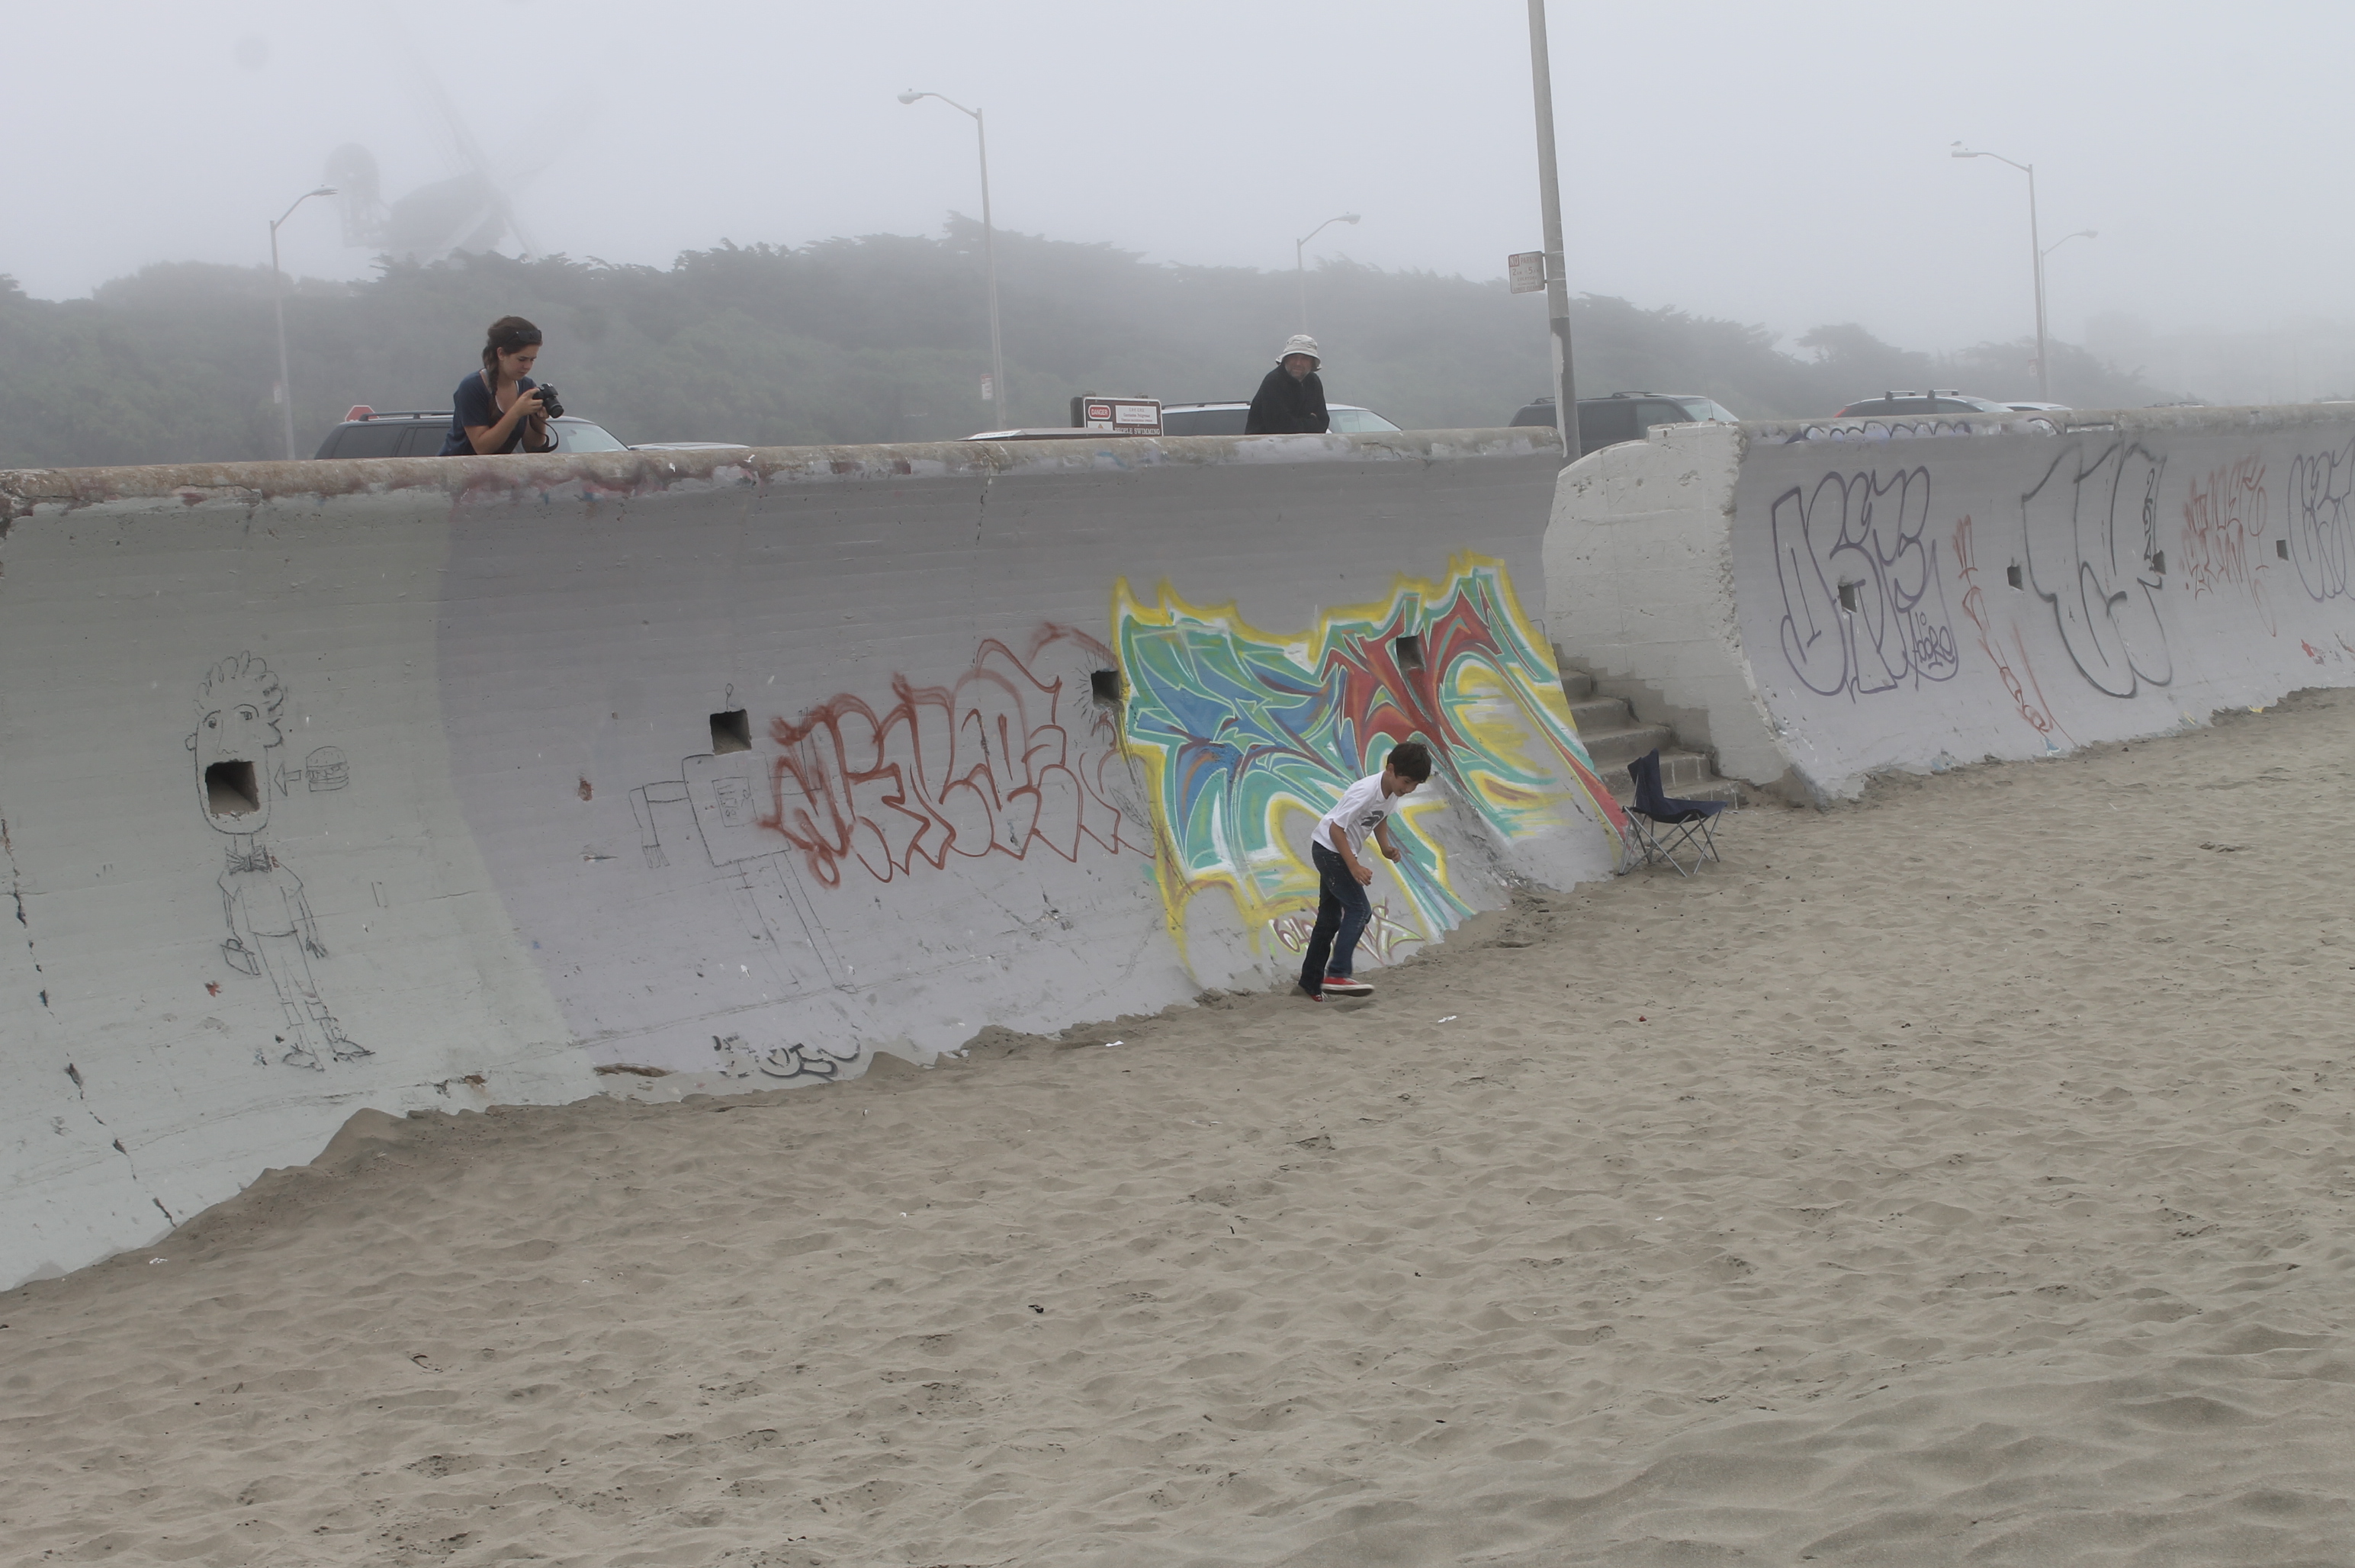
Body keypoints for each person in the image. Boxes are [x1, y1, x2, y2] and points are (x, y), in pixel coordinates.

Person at [1297, 741, 1432, 1001]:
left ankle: (1309, 984)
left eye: (1415, 785)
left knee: (1329, 920)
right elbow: (1336, 828)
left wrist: (1385, 848)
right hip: (1329, 851)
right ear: (1390, 770)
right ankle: (1337, 974)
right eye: (1406, 782)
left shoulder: (1392, 793)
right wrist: (1353, 865)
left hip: (1335, 852)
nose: (1408, 789)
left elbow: (1380, 818)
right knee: (1360, 910)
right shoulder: (1365, 791)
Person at [441, 315, 561, 455]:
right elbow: (482, 448)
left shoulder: (526, 386)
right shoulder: (473, 387)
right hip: (458, 467)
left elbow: (532, 447)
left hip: (496, 469)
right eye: (521, 359)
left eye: (532, 360)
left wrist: (539, 419)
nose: (527, 366)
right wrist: (516, 412)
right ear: (501, 353)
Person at [1245, 333, 1331, 435]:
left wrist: (1297, 423)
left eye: (1305, 358)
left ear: (1312, 363)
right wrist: (1311, 422)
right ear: (1285, 360)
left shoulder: (1313, 382)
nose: (1298, 363)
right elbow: (1280, 427)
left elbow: (1323, 422)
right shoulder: (1273, 382)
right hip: (1266, 443)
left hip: (1305, 443)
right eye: (1294, 357)